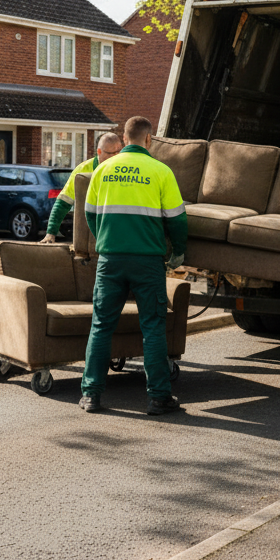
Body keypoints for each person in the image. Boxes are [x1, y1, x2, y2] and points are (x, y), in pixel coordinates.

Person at [79, 116, 188, 415]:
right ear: (148, 139)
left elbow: (88, 214)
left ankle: (91, 395)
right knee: (152, 327)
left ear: (125, 139)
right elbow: (178, 220)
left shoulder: (103, 170)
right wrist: (178, 252)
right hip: (148, 261)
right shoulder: (161, 171)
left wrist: (104, 238)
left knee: (101, 326)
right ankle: (158, 398)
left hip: (110, 259)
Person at [42, 133, 124, 244]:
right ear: (99, 152)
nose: (116, 156)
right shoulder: (83, 170)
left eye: (119, 152)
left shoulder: (125, 168)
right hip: (90, 232)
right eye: (111, 153)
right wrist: (51, 233)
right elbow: (63, 202)